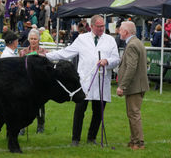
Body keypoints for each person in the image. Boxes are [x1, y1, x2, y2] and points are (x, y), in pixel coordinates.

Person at [45, 15, 120, 146]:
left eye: (103, 26)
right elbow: (66, 53)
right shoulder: (82, 39)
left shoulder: (110, 40)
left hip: (102, 80)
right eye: (99, 26)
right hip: (84, 81)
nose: (102, 28)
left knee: (98, 112)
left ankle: (92, 138)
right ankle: (75, 139)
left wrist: (107, 61)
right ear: (91, 26)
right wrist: (46, 56)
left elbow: (116, 59)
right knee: (80, 111)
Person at [117, 21, 149, 150]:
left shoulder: (131, 45)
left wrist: (122, 86)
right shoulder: (137, 42)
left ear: (125, 32)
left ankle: (138, 143)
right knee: (133, 114)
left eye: (120, 30)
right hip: (138, 85)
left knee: (134, 114)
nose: (119, 32)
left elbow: (131, 67)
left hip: (134, 86)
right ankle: (134, 140)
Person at [19, 29, 48, 134]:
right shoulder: (23, 52)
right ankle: (21, 126)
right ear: (28, 39)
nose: (33, 41)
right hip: (25, 83)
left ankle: (40, 125)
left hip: (39, 84)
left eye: (35, 39)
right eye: (31, 39)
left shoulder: (44, 52)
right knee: (23, 106)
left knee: (40, 106)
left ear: (38, 40)